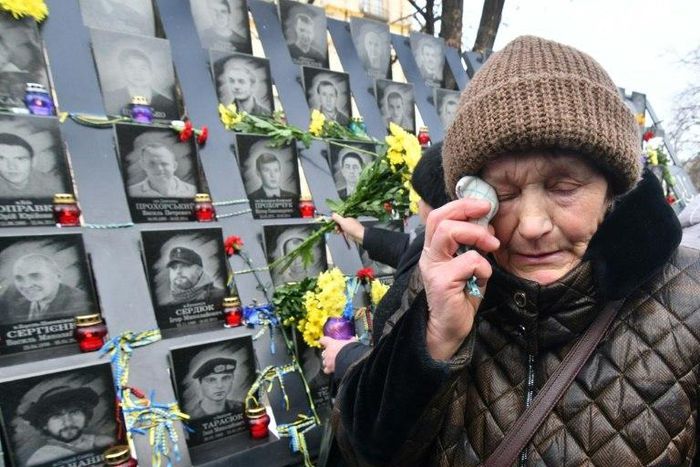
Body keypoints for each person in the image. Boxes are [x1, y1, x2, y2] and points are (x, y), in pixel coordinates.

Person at [335, 36, 700, 466]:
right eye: (504, 194)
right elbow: (361, 450)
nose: (531, 226)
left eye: (564, 188)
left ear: (611, 192)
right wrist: (432, 342)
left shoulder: (688, 302)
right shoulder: (436, 284)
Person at [324, 143, 450, 381]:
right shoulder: (437, 243)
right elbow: (409, 247)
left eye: (422, 198)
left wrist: (343, 356)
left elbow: (404, 366)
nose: (416, 205)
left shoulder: (440, 277)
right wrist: (361, 233)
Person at [23, 386, 113, 466]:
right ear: (44, 425)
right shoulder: (40, 459)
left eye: (74, 412)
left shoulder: (105, 443)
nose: (68, 422)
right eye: (56, 416)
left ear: (86, 416)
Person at [0, 254, 91, 325]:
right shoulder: (13, 304)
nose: (27, 285)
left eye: (35, 276)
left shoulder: (82, 304)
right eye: (19, 278)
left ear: (58, 276)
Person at [104, 47, 178, 120]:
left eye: (143, 68)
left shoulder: (168, 105)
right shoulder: (111, 99)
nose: (137, 73)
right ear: (123, 71)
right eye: (131, 68)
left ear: (151, 71)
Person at [127, 132, 197, 198]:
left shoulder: (193, 192)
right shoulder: (132, 192)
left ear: (174, 166)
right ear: (143, 165)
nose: (159, 169)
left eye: (164, 164)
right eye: (152, 164)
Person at [0, 133, 65, 198]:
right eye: (2, 159)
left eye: (20, 159)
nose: (11, 166)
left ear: (33, 161)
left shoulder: (57, 185)